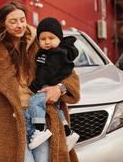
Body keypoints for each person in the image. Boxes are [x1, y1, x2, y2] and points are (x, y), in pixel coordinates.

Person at [0, 0, 80, 162]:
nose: (19, 25)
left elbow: (69, 74)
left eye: (22, 20)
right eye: (13, 21)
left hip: (41, 118)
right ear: (3, 24)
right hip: (7, 122)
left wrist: (60, 88)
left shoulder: (42, 43)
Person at [27, 17, 80, 151]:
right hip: (47, 91)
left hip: (45, 88)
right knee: (57, 110)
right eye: (43, 39)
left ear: (59, 39)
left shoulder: (56, 54)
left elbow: (47, 72)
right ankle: (68, 133)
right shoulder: (47, 52)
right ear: (38, 40)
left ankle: (40, 129)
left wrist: (35, 86)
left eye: (51, 38)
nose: (47, 42)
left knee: (34, 102)